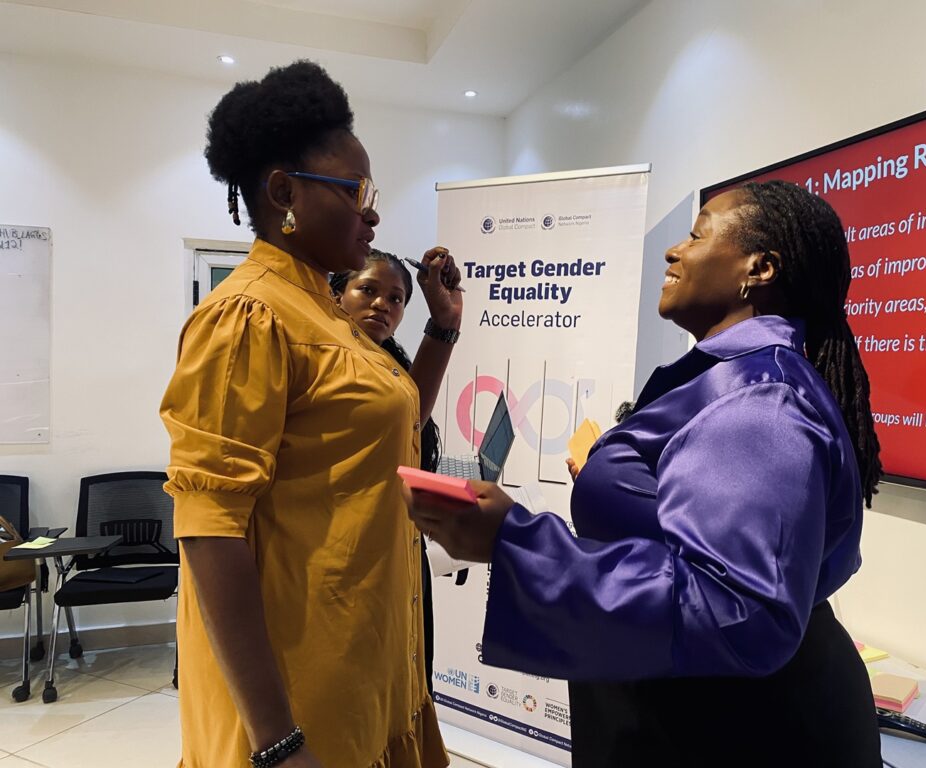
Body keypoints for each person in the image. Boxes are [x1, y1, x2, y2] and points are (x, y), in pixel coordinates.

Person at [405, 181, 884, 767]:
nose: (673, 251)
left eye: (697, 234)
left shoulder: (763, 400)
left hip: (739, 727)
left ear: (759, 268)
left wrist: (517, 541)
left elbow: (736, 605)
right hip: (696, 708)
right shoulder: (731, 381)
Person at [160, 61, 460, 768]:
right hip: (298, 680)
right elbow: (209, 531)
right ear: (283, 192)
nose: (374, 211)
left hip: (363, 644)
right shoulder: (248, 316)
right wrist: (276, 738)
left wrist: (441, 328)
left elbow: (392, 430)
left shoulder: (323, 311)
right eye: (356, 191)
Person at [329, 249, 446, 694]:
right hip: (354, 551)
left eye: (396, 299)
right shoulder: (332, 359)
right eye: (368, 290)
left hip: (399, 540)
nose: (383, 304)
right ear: (338, 294)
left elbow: (413, 418)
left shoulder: (389, 362)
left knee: (407, 679)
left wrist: (446, 322)